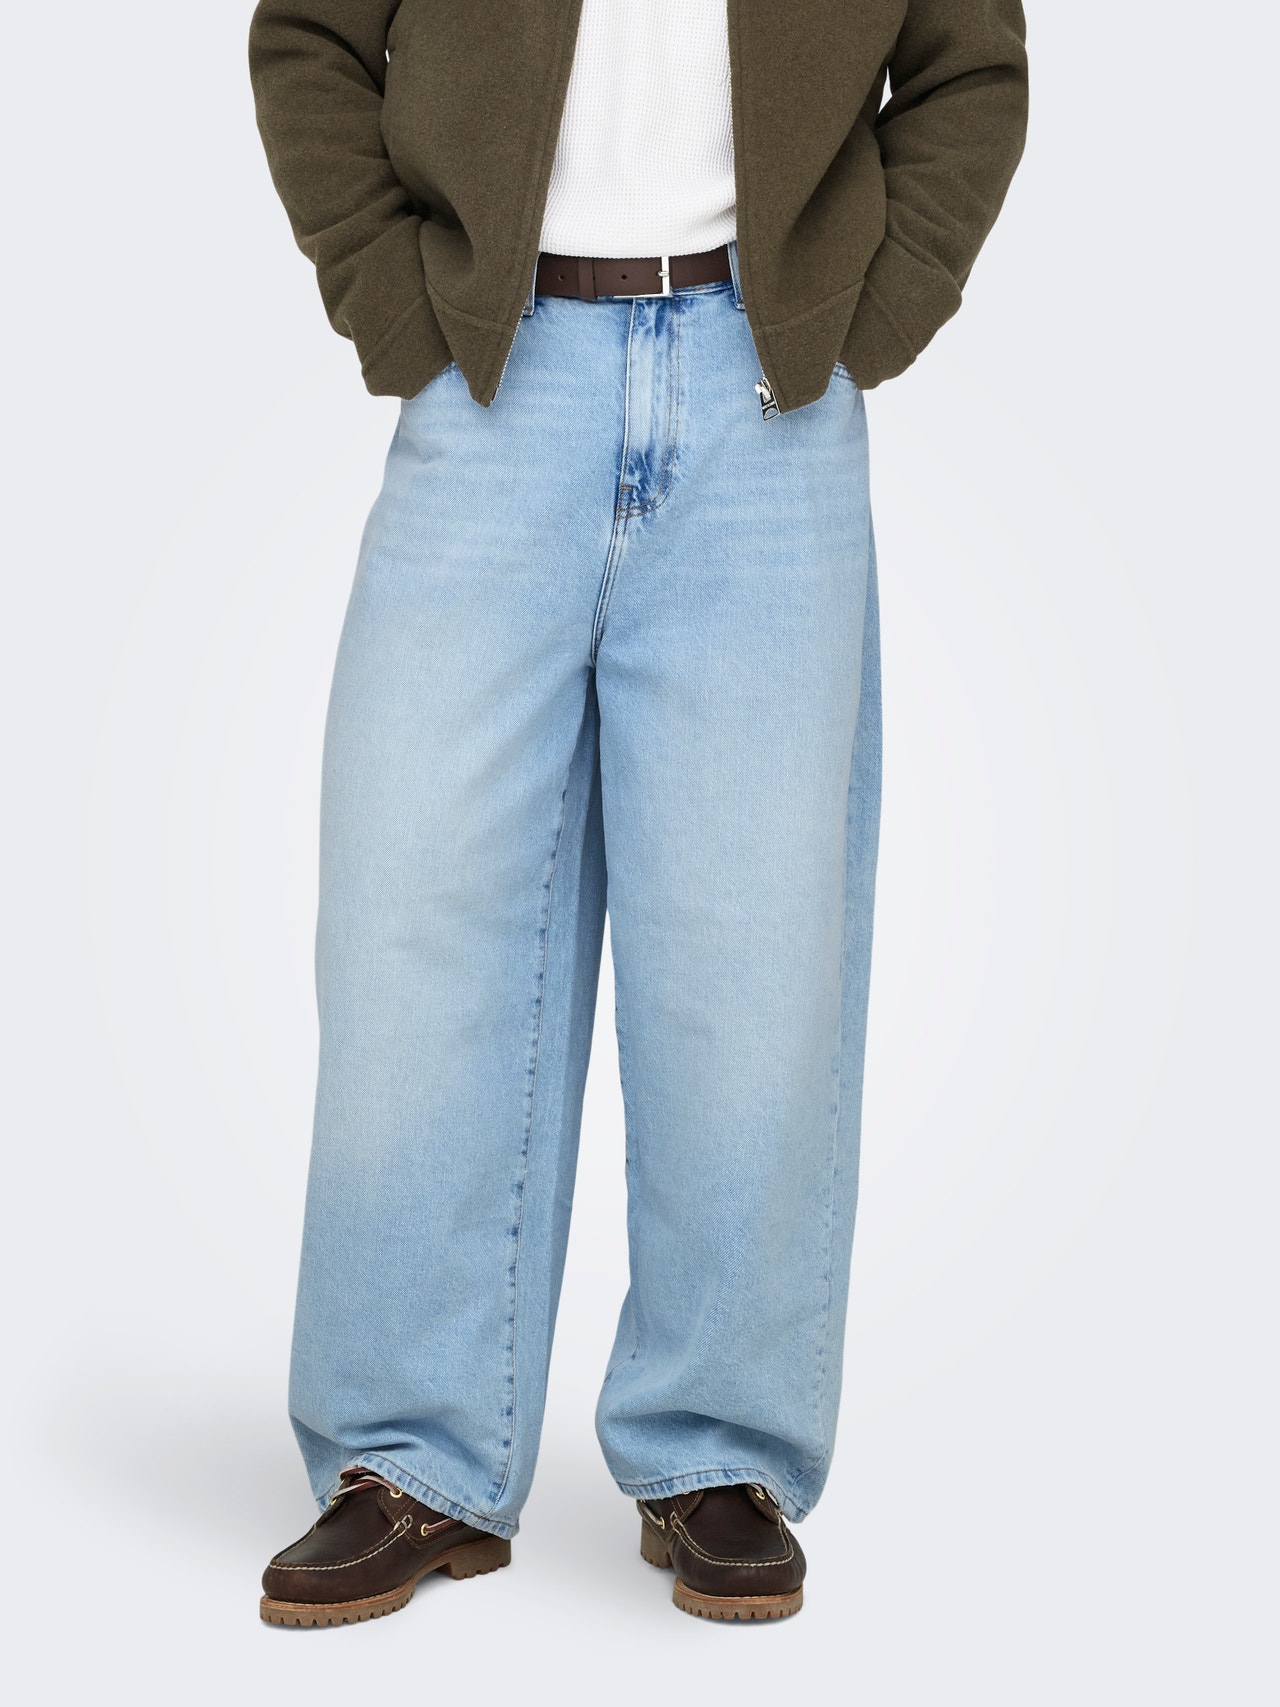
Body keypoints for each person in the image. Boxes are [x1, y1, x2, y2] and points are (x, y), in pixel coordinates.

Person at [247, 0, 1028, 1627]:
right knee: (411, 922)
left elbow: (970, 67)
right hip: (490, 382)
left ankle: (720, 1449)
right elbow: (309, 34)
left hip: (768, 395)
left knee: (752, 953)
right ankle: (408, 1455)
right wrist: (395, 303)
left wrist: (863, 312)